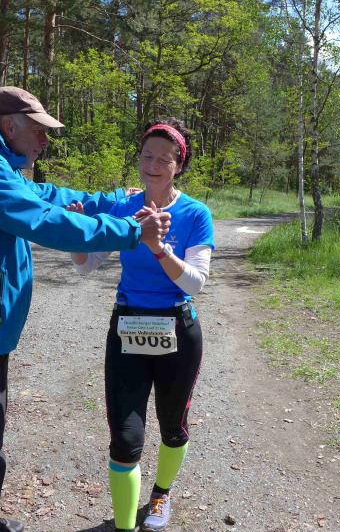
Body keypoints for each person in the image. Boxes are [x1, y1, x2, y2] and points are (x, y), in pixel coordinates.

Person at [0, 86, 171, 532]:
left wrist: (113, 198)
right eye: (39, 131)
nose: (45, 141)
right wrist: (131, 232)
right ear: (9, 125)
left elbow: (48, 196)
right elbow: (42, 220)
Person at [69, 118, 214, 532]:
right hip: (127, 328)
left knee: (173, 426)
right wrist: (78, 237)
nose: (152, 166)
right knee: (125, 438)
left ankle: (161, 493)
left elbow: (195, 283)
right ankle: (124, 526)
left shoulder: (195, 213)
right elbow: (87, 266)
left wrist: (158, 248)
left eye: (163, 159)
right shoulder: (122, 209)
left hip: (177, 329)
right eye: (146, 156)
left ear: (179, 165)